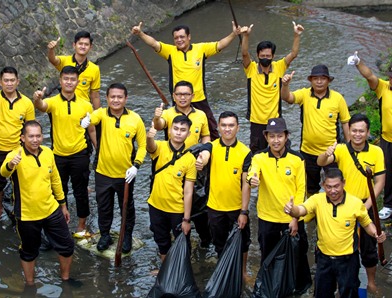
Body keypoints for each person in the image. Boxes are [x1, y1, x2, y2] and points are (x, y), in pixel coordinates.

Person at [284, 168, 386, 298]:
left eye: (336, 186)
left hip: (348, 260)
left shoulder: (355, 203)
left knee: (349, 294)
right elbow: (301, 210)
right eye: (329, 187)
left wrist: (376, 234)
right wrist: (291, 210)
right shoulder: (317, 200)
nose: (333, 191)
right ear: (322, 186)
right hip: (324, 259)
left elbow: (367, 224)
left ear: (343, 183)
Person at [131, 21, 241, 140]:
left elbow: (220, 45)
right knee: (174, 131)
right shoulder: (170, 51)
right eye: (176, 38)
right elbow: (154, 44)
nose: (179, 40)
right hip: (179, 100)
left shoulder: (201, 49)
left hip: (199, 98)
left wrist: (234, 34)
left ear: (189, 37)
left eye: (182, 37)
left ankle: (212, 153)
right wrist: (140, 33)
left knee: (211, 130)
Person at [317, 113, 386, 293]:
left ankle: (370, 282)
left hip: (366, 203)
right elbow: (320, 162)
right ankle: (343, 281)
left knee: (370, 247)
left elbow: (380, 182)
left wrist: (366, 206)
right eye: (354, 130)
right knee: (344, 245)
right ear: (349, 131)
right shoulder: (340, 149)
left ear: (367, 132)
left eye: (361, 131)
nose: (357, 134)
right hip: (343, 203)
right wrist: (326, 154)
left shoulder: (376, 152)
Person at [0, 120, 74, 285]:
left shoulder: (48, 152)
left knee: (67, 246)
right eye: (31, 136)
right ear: (23, 137)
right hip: (27, 214)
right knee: (29, 252)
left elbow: (55, 180)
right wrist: (11, 164)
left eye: (38, 136)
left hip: (51, 209)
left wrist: (63, 205)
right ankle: (30, 284)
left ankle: (66, 279)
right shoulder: (15, 155)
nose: (35, 140)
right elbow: (4, 171)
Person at [246, 117, 311, 293]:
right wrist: (252, 179)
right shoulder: (259, 157)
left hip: (292, 217)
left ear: (286, 137)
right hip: (267, 217)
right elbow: (252, 173)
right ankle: (270, 288)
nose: (276, 140)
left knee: (298, 253)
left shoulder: (297, 159)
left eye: (279, 136)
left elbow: (301, 190)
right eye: (272, 136)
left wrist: (295, 217)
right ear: (266, 137)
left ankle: (297, 288)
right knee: (268, 255)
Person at [86, 83, 146, 253]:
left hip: (126, 174)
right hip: (103, 172)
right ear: (107, 98)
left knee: (126, 206)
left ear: (126, 99)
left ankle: (126, 235)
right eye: (112, 97)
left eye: (120, 97)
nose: (116, 100)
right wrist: (86, 121)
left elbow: (142, 146)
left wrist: (136, 166)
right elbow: (92, 118)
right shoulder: (102, 114)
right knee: (104, 206)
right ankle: (105, 235)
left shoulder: (135, 119)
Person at [33, 66, 95, 233]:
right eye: (65, 79)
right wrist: (37, 98)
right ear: (60, 81)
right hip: (58, 155)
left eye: (72, 79)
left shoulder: (86, 105)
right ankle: (60, 221)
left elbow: (92, 130)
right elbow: (41, 106)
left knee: (81, 191)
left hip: (80, 154)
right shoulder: (53, 102)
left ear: (77, 82)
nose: (69, 82)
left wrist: (99, 150)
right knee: (59, 191)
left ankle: (82, 224)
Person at [153, 80, 212, 247]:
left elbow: (206, 136)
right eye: (179, 94)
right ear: (173, 96)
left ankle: (204, 240)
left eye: (186, 94)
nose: (183, 97)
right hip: (172, 162)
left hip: (195, 163)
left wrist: (204, 151)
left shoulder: (200, 115)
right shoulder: (168, 113)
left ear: (192, 96)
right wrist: (157, 117)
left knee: (198, 204)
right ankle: (176, 238)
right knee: (173, 202)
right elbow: (159, 125)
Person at [195, 111, 252, 281]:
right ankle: (222, 269)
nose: (227, 129)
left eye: (231, 125)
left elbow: (246, 184)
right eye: (224, 125)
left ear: (238, 128)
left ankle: (242, 272)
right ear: (218, 127)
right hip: (214, 207)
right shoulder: (211, 147)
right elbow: (204, 155)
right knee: (219, 243)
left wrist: (244, 212)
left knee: (243, 243)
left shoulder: (245, 152)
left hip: (236, 208)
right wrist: (201, 161)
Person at [281, 64, 350, 196]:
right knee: (310, 186)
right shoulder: (304, 94)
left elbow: (345, 122)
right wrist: (285, 85)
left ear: (328, 80)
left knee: (334, 185)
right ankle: (312, 211)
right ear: (311, 80)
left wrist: (349, 147)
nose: (319, 81)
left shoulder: (337, 98)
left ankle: (333, 209)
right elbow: (287, 98)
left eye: (323, 78)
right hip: (308, 151)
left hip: (331, 152)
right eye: (315, 78)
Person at [240, 22, 304, 153]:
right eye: (262, 56)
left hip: (275, 120)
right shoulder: (251, 68)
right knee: (257, 153)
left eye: (268, 56)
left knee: (281, 151)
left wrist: (296, 35)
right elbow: (245, 54)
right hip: (256, 121)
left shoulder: (279, 67)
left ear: (273, 56)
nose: (265, 58)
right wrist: (246, 36)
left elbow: (293, 54)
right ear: (257, 56)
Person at [0, 66, 35, 218]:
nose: (9, 83)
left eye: (12, 80)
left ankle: (21, 208)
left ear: (18, 82)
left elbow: (31, 128)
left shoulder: (26, 103)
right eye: (6, 80)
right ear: (0, 82)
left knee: (22, 182)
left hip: (17, 148)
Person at [348, 51, 392, 220]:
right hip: (388, 139)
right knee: (387, 172)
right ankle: (388, 204)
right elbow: (369, 76)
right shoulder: (384, 88)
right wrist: (358, 62)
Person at [147, 115, 196, 261]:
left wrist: (186, 219)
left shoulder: (190, 159)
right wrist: (149, 137)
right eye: (175, 129)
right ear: (169, 131)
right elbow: (150, 147)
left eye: (183, 130)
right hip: (156, 204)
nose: (178, 132)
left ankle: (181, 271)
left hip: (177, 209)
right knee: (161, 240)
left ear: (188, 134)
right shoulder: (160, 147)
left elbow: (188, 191)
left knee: (183, 242)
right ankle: (165, 269)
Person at [47, 31, 101, 109]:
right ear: (74, 45)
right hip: (64, 106)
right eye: (80, 44)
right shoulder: (65, 61)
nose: (83, 46)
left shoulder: (94, 69)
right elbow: (53, 60)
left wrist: (98, 116)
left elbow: (95, 95)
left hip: (83, 109)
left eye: (86, 44)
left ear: (90, 47)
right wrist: (51, 50)